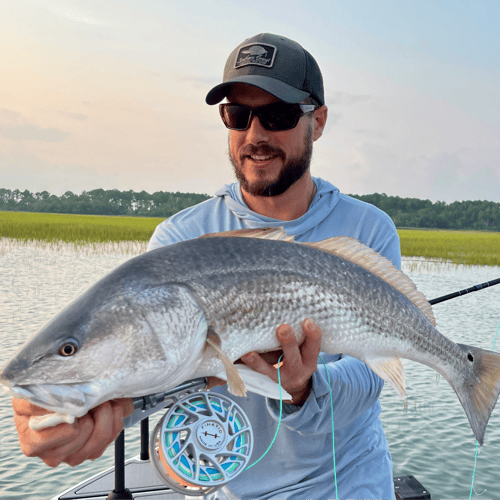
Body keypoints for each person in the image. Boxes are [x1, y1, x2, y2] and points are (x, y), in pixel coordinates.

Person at [11, 33, 400, 499]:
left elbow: (373, 379)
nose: (255, 136)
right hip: (229, 485)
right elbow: (154, 373)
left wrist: (303, 389)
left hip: (348, 483)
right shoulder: (178, 240)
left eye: (276, 115)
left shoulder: (368, 230)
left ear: (316, 122)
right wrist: (76, 410)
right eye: (238, 115)